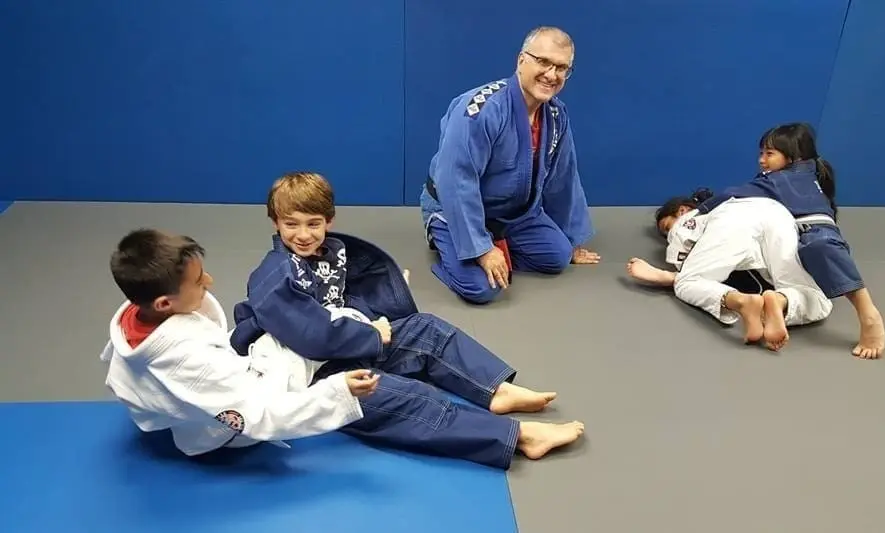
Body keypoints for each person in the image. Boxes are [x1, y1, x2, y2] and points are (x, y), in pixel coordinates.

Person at [229, 172, 585, 470]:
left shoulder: (331, 253)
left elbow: (339, 300)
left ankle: (496, 391)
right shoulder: (274, 274)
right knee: (405, 399)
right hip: (312, 376)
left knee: (427, 330)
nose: (303, 234)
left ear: (329, 221)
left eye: (313, 224)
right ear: (275, 223)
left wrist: (386, 297)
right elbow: (310, 334)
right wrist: (371, 335)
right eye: (291, 224)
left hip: (343, 345)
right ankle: (519, 436)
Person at [100, 228, 382, 457]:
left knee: (275, 328)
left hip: (213, 391)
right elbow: (261, 416)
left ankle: (354, 328)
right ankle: (365, 331)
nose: (209, 280)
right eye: (198, 281)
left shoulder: (135, 318)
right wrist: (338, 392)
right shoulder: (191, 366)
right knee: (302, 345)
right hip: (226, 433)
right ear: (164, 303)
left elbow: (122, 381)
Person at [419, 26, 600, 305]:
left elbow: (563, 179)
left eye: (561, 68)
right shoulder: (479, 110)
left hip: (513, 213)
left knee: (558, 256)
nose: (551, 74)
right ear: (521, 60)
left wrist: (571, 239)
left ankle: (495, 243)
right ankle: (453, 247)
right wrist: (481, 249)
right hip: (453, 209)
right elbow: (455, 180)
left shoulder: (555, 114)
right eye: (543, 62)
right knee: (483, 288)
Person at [693, 123, 885, 359]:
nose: (762, 160)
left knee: (820, 253)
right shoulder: (807, 174)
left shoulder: (780, 179)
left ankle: (869, 314)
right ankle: (778, 301)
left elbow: (733, 194)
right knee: (803, 284)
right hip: (796, 235)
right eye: (761, 153)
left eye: (769, 154)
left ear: (795, 157)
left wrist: (699, 210)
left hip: (815, 233)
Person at [627, 195, 833, 351]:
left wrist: (671, 276)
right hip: (776, 212)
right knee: (818, 299)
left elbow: (690, 266)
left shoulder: (686, 221)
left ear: (682, 210)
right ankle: (780, 301)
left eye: (666, 227)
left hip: (731, 221)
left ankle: (742, 302)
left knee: (686, 282)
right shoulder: (729, 201)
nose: (667, 234)